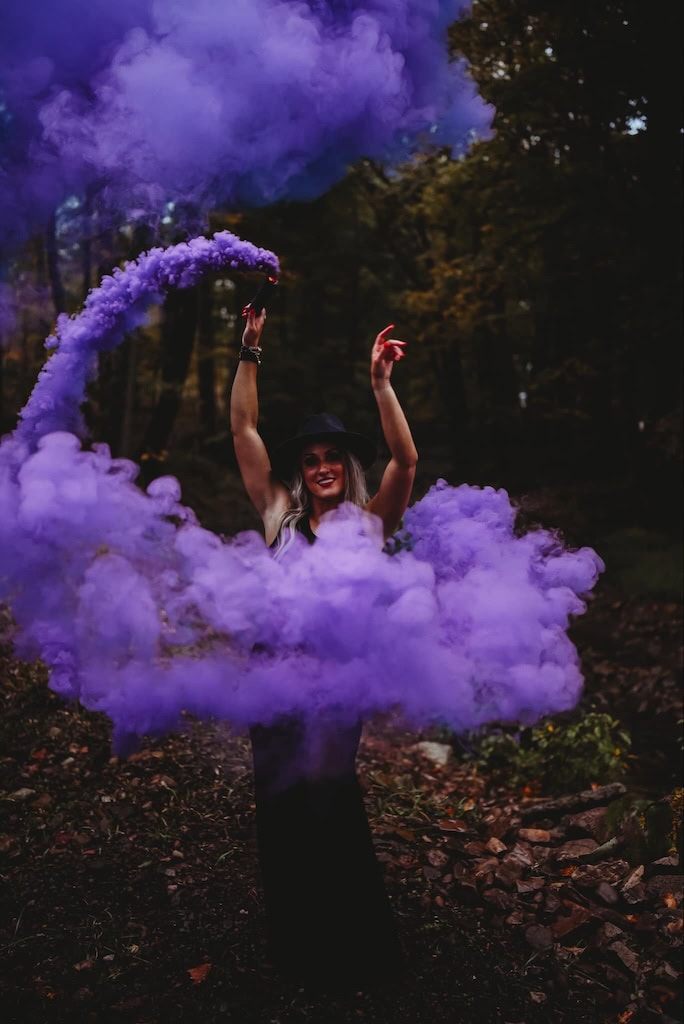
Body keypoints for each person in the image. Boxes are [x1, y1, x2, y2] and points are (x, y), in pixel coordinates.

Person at [230, 308, 418, 988]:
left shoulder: (369, 529)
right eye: (309, 462)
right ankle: (297, 953)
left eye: (331, 458)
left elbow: (406, 459)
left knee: (330, 799)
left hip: (335, 692)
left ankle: (361, 952)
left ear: (346, 465)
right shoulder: (280, 519)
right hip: (273, 685)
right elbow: (244, 431)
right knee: (280, 807)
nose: (319, 469)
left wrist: (380, 384)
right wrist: (249, 352)